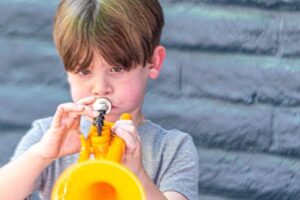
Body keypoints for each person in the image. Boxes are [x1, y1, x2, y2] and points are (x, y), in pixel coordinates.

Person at [0, 0, 199, 199]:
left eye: (116, 69)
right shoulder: (47, 135)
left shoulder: (174, 147)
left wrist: (138, 174)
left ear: (153, 63)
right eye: (84, 71)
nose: (100, 88)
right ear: (67, 73)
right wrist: (42, 155)